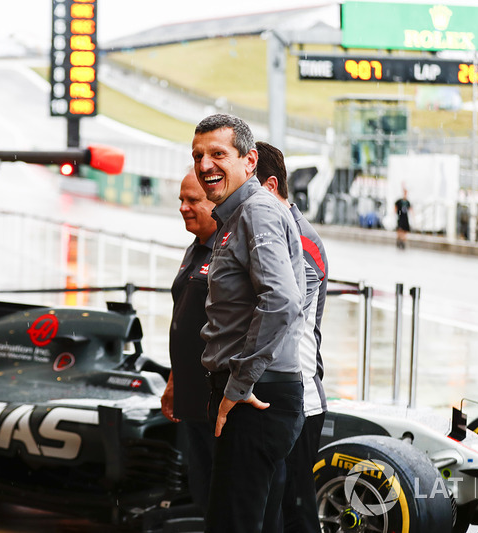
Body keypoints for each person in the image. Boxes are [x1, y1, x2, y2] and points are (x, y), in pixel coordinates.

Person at [193, 114, 306, 533]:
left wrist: (238, 386)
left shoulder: (256, 212)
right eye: (198, 156)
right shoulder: (236, 216)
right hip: (256, 392)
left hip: (255, 397)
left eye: (218, 154)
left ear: (250, 160)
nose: (205, 165)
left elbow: (282, 300)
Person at [256, 141, 327, 533]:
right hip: (276, 392)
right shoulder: (273, 229)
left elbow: (282, 309)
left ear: (268, 187)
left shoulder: (299, 238)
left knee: (295, 511)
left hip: (299, 397)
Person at [160, 167, 216, 514]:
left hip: (217, 400)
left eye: (192, 200)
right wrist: (173, 379)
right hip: (192, 398)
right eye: (181, 199)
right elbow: (184, 320)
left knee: (221, 494)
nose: (183, 206)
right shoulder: (194, 248)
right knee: (203, 488)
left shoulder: (229, 252)